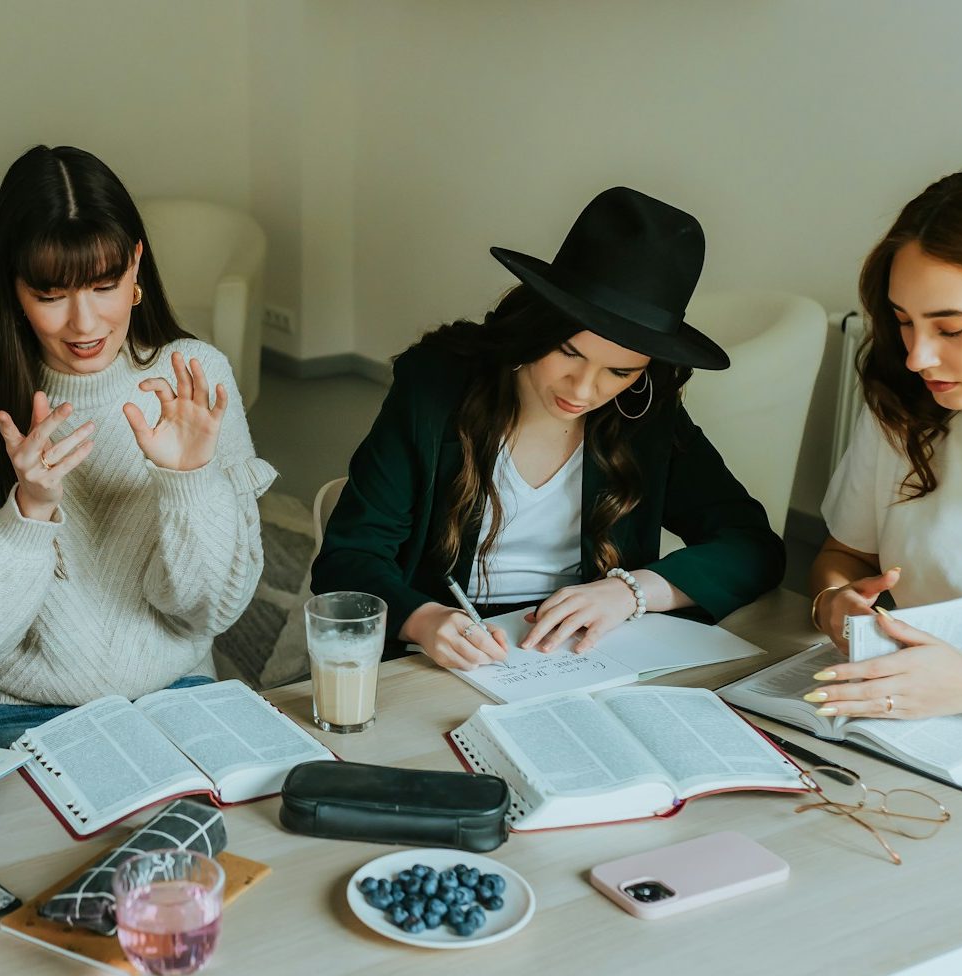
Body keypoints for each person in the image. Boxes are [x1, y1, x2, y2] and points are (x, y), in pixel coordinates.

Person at [312, 186, 785, 667]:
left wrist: (629, 592)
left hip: (583, 653)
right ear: (537, 327)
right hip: (455, 649)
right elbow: (349, 557)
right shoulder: (436, 388)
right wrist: (423, 618)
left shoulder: (644, 416)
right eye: (569, 353)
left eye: (619, 372)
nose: (582, 390)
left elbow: (751, 545)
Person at [0, 145, 276, 748]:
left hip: (174, 691)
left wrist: (190, 482)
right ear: (11, 287)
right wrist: (29, 513)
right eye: (50, 295)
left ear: (136, 264)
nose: (84, 324)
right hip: (16, 713)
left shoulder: (195, 377)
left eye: (103, 285)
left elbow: (209, 612)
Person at [807, 163, 962, 731]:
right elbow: (844, 557)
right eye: (903, 322)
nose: (918, 357)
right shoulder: (906, 405)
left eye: (951, 330)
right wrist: (834, 603)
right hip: (926, 728)